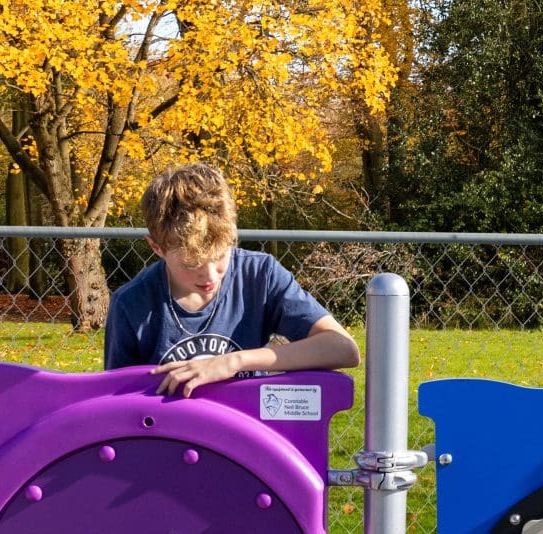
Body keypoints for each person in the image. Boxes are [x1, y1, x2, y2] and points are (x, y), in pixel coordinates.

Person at [103, 163, 358, 397]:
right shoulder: (131, 304)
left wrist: (234, 361)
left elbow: (343, 348)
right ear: (156, 247)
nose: (210, 275)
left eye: (220, 255)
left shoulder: (260, 275)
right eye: (191, 264)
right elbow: (118, 401)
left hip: (246, 428)